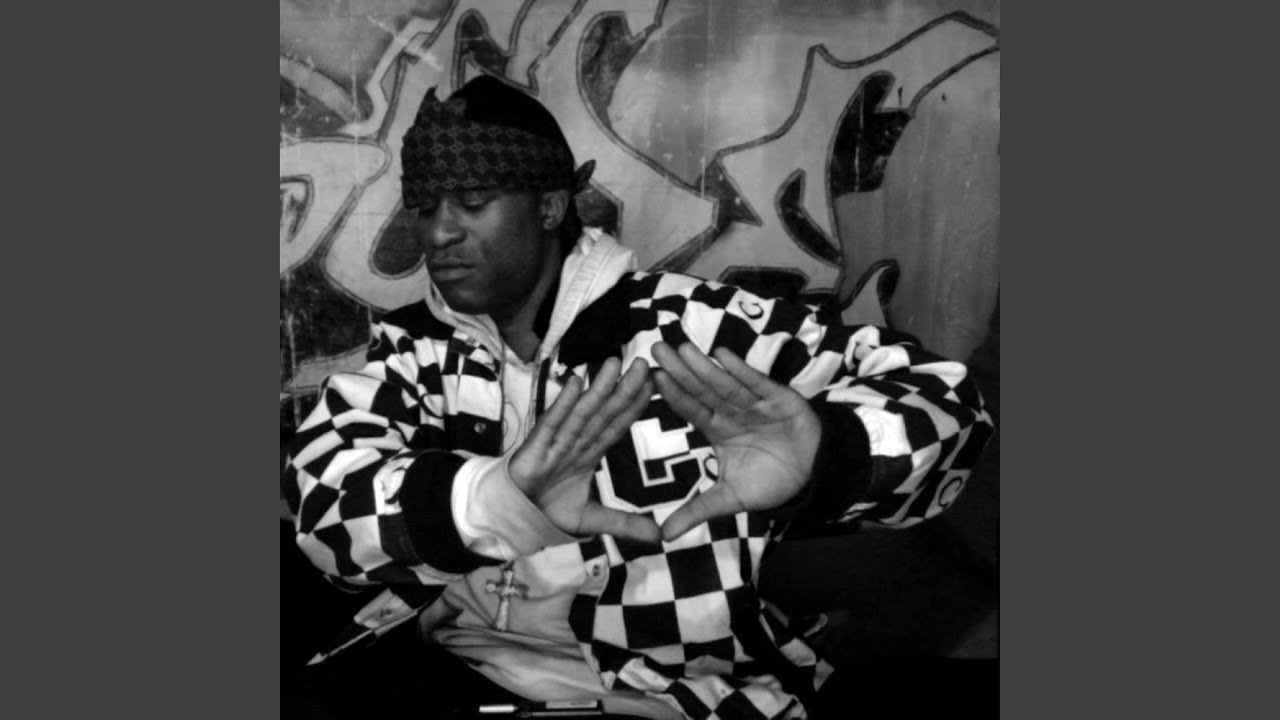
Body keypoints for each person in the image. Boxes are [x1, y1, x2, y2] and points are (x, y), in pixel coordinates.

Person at [281, 75, 994, 720]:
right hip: (463, 672)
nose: (437, 232)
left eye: (471, 203)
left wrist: (829, 455)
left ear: (550, 206)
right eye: (424, 206)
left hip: (674, 693)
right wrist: (494, 502)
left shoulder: (694, 328)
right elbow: (323, 504)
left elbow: (949, 404)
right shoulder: (413, 348)